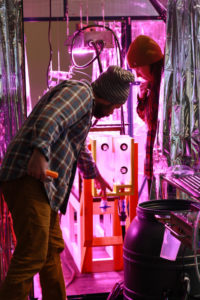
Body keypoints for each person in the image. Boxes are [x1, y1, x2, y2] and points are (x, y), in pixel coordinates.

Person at [0, 65, 135, 300]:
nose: (114, 111)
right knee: (32, 253)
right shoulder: (81, 92)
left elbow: (77, 144)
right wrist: (40, 152)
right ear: (109, 97)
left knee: (51, 251)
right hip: (29, 179)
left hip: (45, 187)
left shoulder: (85, 106)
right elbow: (52, 117)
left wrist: (94, 174)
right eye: (116, 105)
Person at [127, 35, 164, 196]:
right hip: (153, 163)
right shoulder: (151, 87)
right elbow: (147, 119)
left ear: (151, 63)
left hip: (164, 167)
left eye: (139, 67)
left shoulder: (166, 88)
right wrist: (142, 98)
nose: (137, 74)